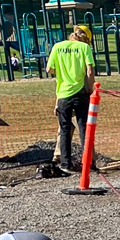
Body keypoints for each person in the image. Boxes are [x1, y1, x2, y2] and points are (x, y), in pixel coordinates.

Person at [45, 24, 96, 173]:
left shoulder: (57, 46)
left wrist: (61, 73)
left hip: (63, 95)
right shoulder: (84, 48)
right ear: (86, 39)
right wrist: (90, 88)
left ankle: (65, 164)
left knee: (65, 129)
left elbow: (49, 69)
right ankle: (88, 162)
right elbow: (89, 70)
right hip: (80, 93)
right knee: (84, 129)